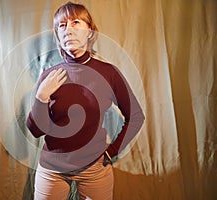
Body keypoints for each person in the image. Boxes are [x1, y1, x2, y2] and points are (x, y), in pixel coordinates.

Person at [26, 2, 145, 199]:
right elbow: (35, 130)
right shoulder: (49, 76)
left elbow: (136, 117)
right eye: (62, 25)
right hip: (52, 170)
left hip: (94, 169)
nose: (68, 29)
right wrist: (41, 97)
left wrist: (111, 151)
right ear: (58, 35)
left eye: (76, 22)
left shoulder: (109, 73)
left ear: (90, 31)